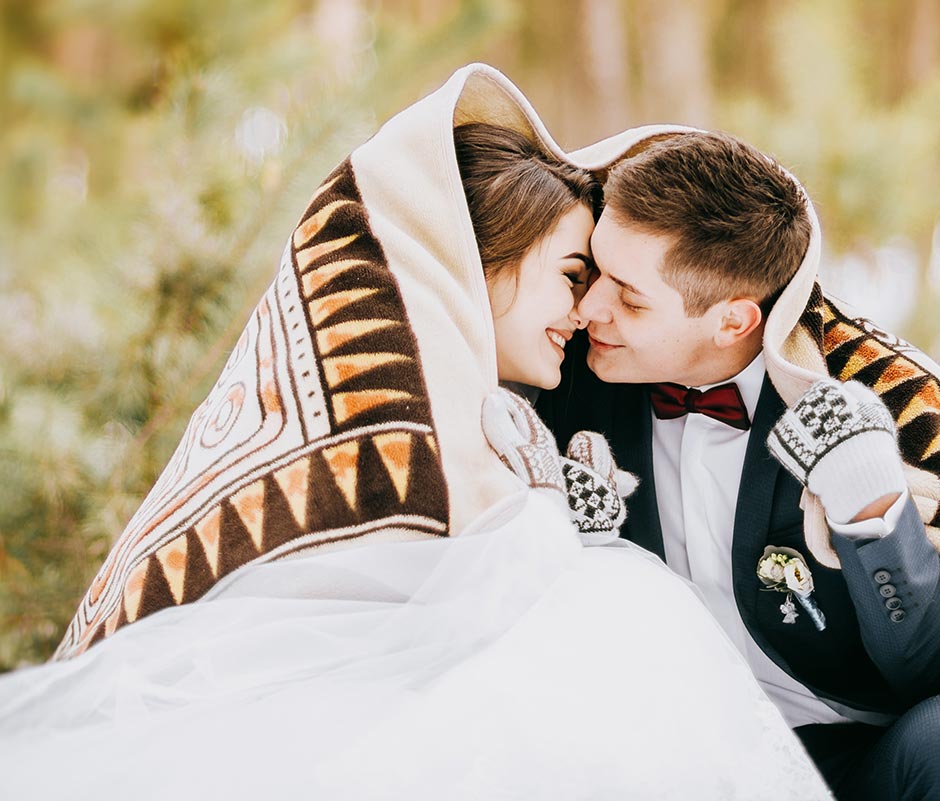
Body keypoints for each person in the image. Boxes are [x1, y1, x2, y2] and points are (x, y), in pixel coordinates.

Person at [0, 68, 831, 801]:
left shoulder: (510, 413)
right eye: (573, 277)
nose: (584, 315)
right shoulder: (388, 427)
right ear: (479, 262)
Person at [539, 131, 940, 801]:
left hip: (838, 756)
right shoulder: (556, 367)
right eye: (591, 271)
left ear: (733, 321)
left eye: (629, 298)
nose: (588, 307)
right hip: (646, 757)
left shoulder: (880, 401)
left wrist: (872, 516)